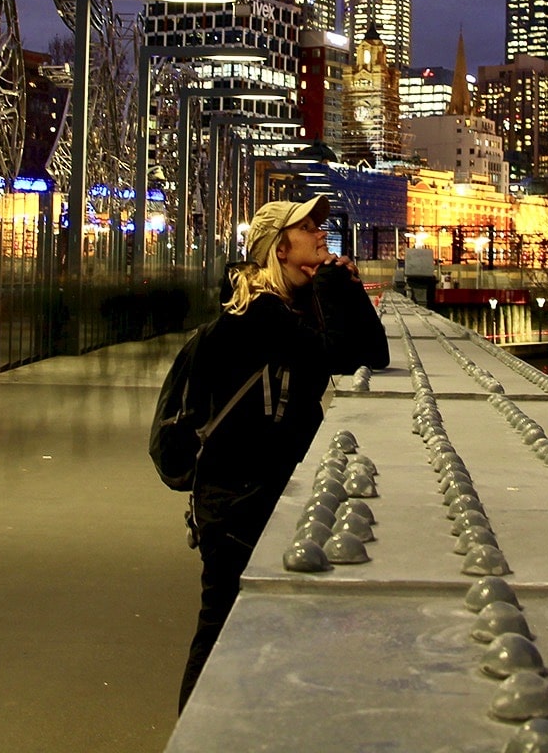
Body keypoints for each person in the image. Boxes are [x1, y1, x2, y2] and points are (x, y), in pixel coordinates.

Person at [176, 195, 388, 710]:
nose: (321, 233)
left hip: (263, 486)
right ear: (280, 246)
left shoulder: (295, 304)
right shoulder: (258, 313)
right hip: (234, 496)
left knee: (245, 623)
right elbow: (334, 351)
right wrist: (336, 284)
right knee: (222, 624)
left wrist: (344, 286)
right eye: (307, 227)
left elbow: (372, 353)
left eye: (320, 225)